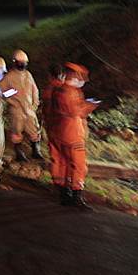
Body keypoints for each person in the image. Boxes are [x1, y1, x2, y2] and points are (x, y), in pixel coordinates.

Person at [49, 62, 100, 209]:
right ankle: (77, 195)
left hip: (61, 132)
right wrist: (90, 105)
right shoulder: (70, 92)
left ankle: (65, 194)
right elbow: (75, 111)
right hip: (72, 133)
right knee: (79, 165)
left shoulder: (58, 90)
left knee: (64, 164)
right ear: (75, 76)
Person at [0, 49, 43, 161]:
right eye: (20, 62)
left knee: (34, 130)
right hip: (16, 109)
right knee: (16, 131)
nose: (22, 64)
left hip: (29, 109)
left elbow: (35, 91)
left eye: (24, 62)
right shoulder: (9, 76)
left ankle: (36, 151)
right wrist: (12, 98)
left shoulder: (28, 75)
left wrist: (34, 105)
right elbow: (2, 92)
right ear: (15, 62)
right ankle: (19, 153)